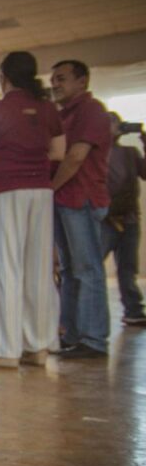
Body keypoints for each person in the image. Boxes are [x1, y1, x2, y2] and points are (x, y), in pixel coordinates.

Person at [0, 51, 66, 368]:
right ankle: (37, 345)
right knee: (38, 268)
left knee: (4, 267)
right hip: (40, 191)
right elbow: (58, 151)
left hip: (4, 192)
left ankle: (3, 349)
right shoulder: (47, 108)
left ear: (3, 77)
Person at [50, 60, 113, 358]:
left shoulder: (92, 111)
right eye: (53, 79)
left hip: (82, 200)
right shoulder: (62, 115)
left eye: (62, 78)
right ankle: (72, 335)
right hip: (64, 202)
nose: (55, 84)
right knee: (69, 271)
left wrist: (50, 188)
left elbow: (75, 157)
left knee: (87, 270)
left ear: (82, 81)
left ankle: (93, 339)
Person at [101, 112, 146, 326]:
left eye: (115, 122)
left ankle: (134, 309)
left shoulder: (130, 153)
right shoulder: (94, 153)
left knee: (128, 267)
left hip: (129, 218)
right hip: (104, 218)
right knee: (91, 265)